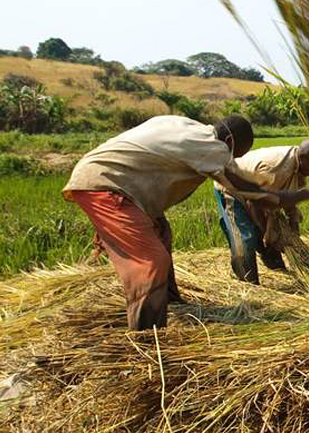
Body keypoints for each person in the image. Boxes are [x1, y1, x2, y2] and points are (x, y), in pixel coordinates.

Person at [63, 114, 279, 330]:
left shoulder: (189, 128)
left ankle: (170, 302)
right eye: (235, 155)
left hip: (113, 177)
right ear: (230, 142)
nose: (230, 159)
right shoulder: (213, 146)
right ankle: (147, 337)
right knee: (150, 263)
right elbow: (240, 187)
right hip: (107, 183)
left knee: (161, 232)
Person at [213, 138, 309, 284]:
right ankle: (248, 282)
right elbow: (255, 203)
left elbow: (289, 196)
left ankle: (275, 265)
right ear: (304, 159)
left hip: (258, 191)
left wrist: (293, 226)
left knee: (274, 231)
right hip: (231, 188)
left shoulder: (300, 165)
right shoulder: (276, 169)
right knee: (246, 237)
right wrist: (267, 233)